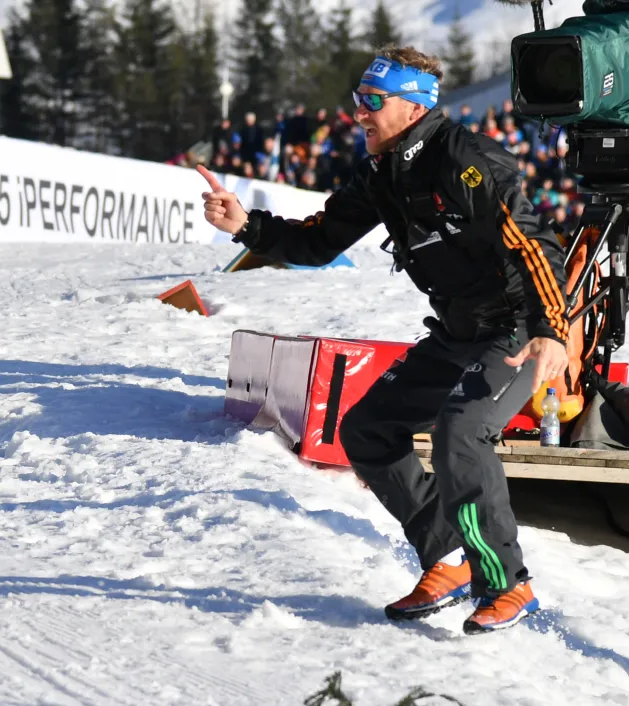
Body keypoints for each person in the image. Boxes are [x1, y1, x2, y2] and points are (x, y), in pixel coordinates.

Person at [198, 46, 569, 634]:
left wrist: (552, 330)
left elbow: (533, 246)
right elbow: (320, 240)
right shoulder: (381, 171)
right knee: (368, 430)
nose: (360, 114)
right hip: (457, 330)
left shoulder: (468, 161)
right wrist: (247, 226)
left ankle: (506, 583)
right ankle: (446, 558)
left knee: (461, 430)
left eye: (373, 102)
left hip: (518, 328)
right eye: (357, 100)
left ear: (414, 105)